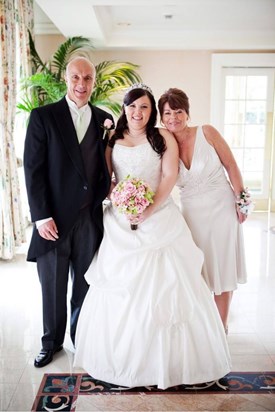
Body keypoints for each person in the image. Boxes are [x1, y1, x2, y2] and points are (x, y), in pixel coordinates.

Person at [73, 83, 231, 389]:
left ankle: (176, 364)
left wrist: (148, 208)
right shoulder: (113, 140)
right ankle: (122, 359)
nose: (138, 112)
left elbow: (170, 176)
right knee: (120, 288)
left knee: (169, 287)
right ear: (125, 109)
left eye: (144, 107)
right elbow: (110, 179)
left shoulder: (162, 137)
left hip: (159, 217)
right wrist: (120, 200)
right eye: (132, 106)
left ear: (152, 111)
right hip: (120, 222)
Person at [23, 56, 114, 368]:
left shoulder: (104, 120)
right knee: (53, 285)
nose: (81, 84)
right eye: (76, 77)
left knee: (85, 284)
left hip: (89, 218)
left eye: (87, 78)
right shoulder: (43, 117)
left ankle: (82, 339)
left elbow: (105, 169)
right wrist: (41, 215)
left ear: (93, 82)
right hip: (54, 220)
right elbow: (33, 171)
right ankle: (51, 343)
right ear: (66, 78)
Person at [158, 87, 249, 334]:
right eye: (167, 113)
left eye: (178, 111)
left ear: (187, 113)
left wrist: (242, 201)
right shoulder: (162, 144)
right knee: (197, 267)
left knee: (222, 265)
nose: (173, 118)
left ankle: (222, 326)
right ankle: (202, 325)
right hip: (191, 214)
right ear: (161, 117)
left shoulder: (207, 132)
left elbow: (230, 164)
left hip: (222, 208)